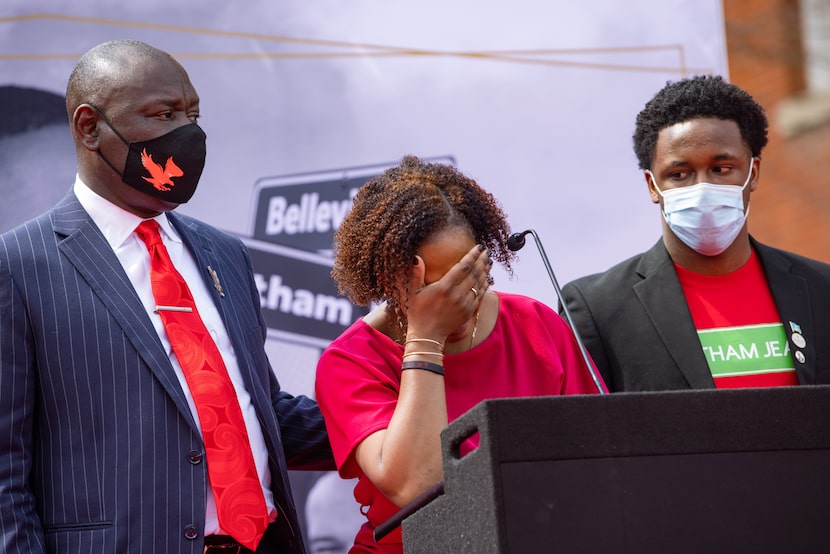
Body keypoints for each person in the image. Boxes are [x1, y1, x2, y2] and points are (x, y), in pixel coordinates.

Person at [0, 40, 333, 554]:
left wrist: (403, 407)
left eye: (193, 114)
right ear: (90, 127)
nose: (188, 133)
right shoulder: (18, 266)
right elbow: (6, 472)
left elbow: (260, 414)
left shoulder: (224, 254)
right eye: (163, 114)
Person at [314, 155, 604, 552]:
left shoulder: (536, 325)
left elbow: (599, 460)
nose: (461, 302)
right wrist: (426, 337)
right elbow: (418, 486)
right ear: (386, 278)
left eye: (471, 277)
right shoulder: (351, 360)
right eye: (437, 289)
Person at [561, 75, 830, 391]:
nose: (702, 187)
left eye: (721, 169)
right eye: (679, 174)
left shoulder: (821, 290)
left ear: (752, 173)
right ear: (653, 186)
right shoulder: (598, 309)